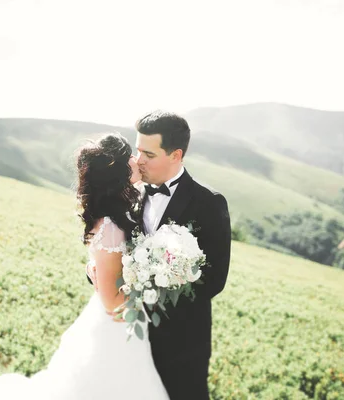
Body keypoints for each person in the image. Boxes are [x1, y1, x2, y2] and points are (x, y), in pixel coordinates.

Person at [0, 133, 169, 399]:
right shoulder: (111, 228)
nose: (137, 159)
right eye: (131, 156)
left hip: (128, 316)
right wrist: (148, 294)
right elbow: (112, 302)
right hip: (119, 322)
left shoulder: (125, 207)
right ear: (119, 170)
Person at [124, 110, 232, 399]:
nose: (138, 160)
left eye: (149, 153)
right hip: (130, 333)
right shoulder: (129, 195)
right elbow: (113, 253)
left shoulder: (209, 203)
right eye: (137, 151)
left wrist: (159, 289)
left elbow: (214, 280)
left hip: (183, 341)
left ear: (176, 155)